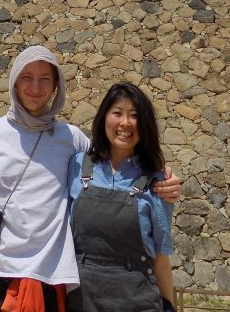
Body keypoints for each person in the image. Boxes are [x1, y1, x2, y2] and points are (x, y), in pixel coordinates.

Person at [0, 46, 181, 312]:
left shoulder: (73, 141)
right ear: (13, 80)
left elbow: (119, 154)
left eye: (45, 78)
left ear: (57, 85)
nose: (35, 86)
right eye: (26, 76)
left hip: (46, 281)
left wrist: (163, 174)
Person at [67, 83, 175, 312]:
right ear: (104, 117)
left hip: (138, 300)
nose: (125, 123)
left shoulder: (158, 182)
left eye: (134, 116)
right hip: (81, 300)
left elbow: (161, 260)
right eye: (117, 113)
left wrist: (169, 306)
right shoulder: (76, 165)